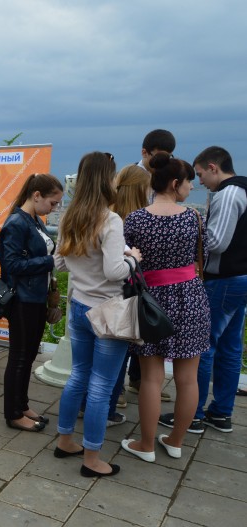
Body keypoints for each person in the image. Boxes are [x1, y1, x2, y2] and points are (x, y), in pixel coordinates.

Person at [53, 152, 141, 478]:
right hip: (108, 311)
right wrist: (134, 257)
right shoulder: (110, 220)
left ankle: (65, 440)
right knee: (102, 386)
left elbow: (60, 263)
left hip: (78, 307)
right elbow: (115, 271)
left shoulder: (68, 216)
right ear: (107, 179)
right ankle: (91, 459)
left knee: (78, 376)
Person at [120, 154, 209, 462]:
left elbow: (128, 262)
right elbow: (205, 256)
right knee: (188, 378)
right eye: (188, 183)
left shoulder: (135, 218)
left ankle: (145, 445)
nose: (190, 188)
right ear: (175, 183)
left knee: (151, 378)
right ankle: (175, 441)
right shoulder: (193, 218)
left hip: (150, 301)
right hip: (190, 297)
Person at [161, 146, 247, 435]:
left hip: (224, 278)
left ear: (213, 167)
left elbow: (216, 242)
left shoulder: (228, 194)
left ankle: (192, 415)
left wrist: (190, 235)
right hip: (240, 278)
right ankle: (221, 412)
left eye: (199, 174)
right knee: (230, 347)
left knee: (202, 346)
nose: (198, 182)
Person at [0, 174, 64, 431]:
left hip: (35, 297)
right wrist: (51, 261)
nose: (55, 208)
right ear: (36, 195)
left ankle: (22, 405)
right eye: (53, 202)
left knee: (27, 357)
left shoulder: (34, 219)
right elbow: (11, 264)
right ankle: (13, 413)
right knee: (19, 357)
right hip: (23, 299)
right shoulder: (17, 222)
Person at [129, 130, 176, 401]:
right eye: (157, 156)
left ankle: (139, 379)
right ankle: (122, 384)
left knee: (146, 323)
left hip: (152, 266)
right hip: (131, 259)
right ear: (144, 152)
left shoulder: (163, 178)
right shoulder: (131, 177)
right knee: (127, 322)